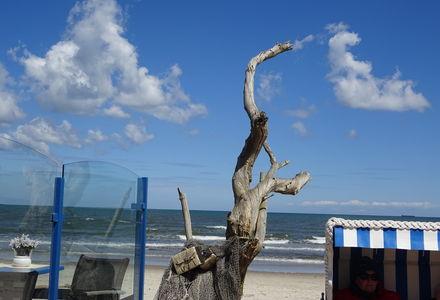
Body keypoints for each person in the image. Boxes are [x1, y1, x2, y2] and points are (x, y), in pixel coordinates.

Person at [334, 256, 400, 300]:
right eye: (364, 277)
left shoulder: (390, 297)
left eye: (374, 277)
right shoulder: (343, 297)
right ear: (356, 279)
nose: (370, 281)